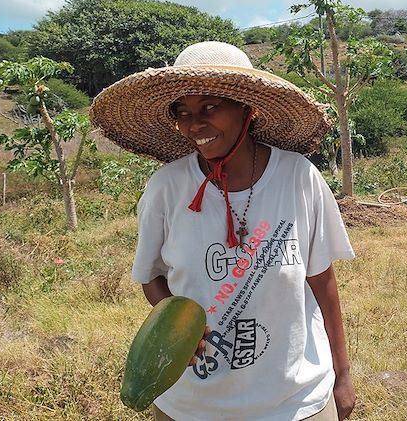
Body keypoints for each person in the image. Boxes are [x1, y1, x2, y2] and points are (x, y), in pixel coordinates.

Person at [90, 41, 356, 421]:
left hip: (294, 400)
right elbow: (151, 278)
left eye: (209, 108)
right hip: (192, 404)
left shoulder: (297, 177)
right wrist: (180, 329)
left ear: (247, 110)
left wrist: (342, 374)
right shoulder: (167, 187)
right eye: (182, 112)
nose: (194, 125)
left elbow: (321, 279)